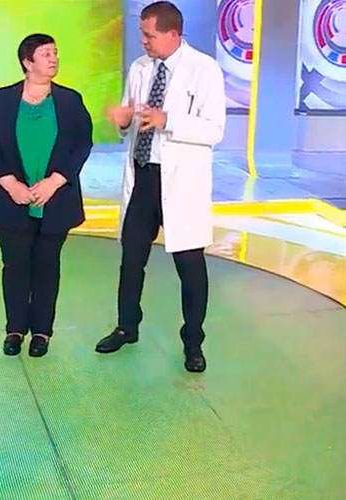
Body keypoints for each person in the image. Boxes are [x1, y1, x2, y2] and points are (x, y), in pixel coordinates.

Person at [95, 1, 226, 372]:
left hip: (180, 181)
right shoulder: (140, 68)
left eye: (149, 35)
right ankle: (127, 327)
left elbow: (214, 130)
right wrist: (123, 120)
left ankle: (193, 343)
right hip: (143, 177)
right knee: (131, 260)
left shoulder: (204, 69)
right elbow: (130, 122)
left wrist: (168, 119)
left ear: (173, 34)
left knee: (189, 266)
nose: (143, 41)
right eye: (142, 34)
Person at [0, 34, 93, 358]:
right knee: (15, 265)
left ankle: (42, 331)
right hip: (9, 201)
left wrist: (55, 181)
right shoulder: (2, 100)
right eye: (45, 54)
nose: (53, 59)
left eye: (55, 53)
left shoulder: (70, 101)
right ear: (27, 62)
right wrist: (9, 183)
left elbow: (81, 144)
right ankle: (15, 329)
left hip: (56, 201)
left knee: (47, 266)